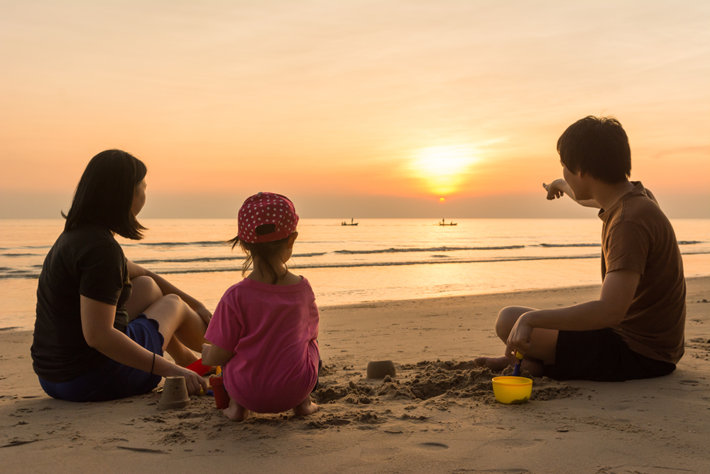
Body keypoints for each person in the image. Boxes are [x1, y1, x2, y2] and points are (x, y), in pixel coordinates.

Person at [476, 116, 686, 381]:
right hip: (654, 345)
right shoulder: (636, 198)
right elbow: (589, 196)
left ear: (582, 171)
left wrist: (532, 320)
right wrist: (559, 184)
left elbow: (610, 311)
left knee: (510, 320)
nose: (563, 172)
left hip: (640, 354)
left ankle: (537, 365)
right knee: (520, 321)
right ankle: (531, 362)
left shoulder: (628, 223)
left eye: (564, 166)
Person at [32, 149, 209, 401]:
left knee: (147, 286)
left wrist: (199, 305)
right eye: (142, 187)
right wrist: (168, 370)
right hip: (95, 379)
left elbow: (145, 273)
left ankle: (189, 360)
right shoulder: (102, 250)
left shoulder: (76, 236)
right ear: (125, 194)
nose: (145, 195)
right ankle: (224, 356)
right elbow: (98, 335)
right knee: (174, 305)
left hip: (53, 379)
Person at [201, 192, 320, 421]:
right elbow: (310, 335)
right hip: (294, 390)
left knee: (233, 351)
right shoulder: (303, 290)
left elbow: (219, 354)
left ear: (244, 245)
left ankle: (236, 409)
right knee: (310, 342)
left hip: (247, 393)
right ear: (292, 239)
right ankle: (304, 405)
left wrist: (208, 354)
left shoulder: (235, 296)